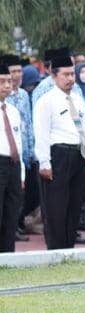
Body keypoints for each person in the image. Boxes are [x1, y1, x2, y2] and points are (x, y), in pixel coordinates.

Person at [33, 55, 85, 250]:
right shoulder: (46, 100)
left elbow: (84, 128)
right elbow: (41, 133)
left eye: (72, 74)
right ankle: (56, 250)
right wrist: (44, 163)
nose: (70, 79)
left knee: (75, 205)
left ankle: (69, 247)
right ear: (54, 75)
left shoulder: (78, 99)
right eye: (65, 75)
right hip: (58, 155)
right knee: (56, 207)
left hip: (78, 154)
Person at [0, 63, 25, 252]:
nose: (7, 85)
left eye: (9, 81)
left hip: (13, 165)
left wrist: (22, 173)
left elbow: (18, 142)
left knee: (12, 212)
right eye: (2, 82)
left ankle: (8, 256)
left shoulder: (13, 110)